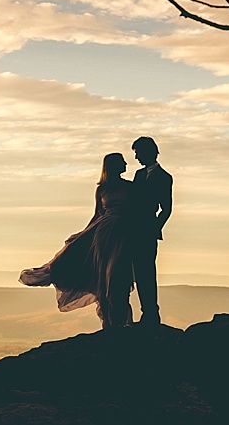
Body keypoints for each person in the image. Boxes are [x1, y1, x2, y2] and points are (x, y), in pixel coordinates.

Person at [19, 153, 133, 329]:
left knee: (117, 275)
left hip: (123, 233)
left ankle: (121, 321)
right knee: (102, 276)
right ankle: (109, 323)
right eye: (121, 161)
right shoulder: (102, 189)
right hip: (103, 234)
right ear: (112, 166)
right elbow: (97, 215)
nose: (126, 163)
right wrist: (83, 234)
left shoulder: (130, 187)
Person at [129, 136, 172, 325]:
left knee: (146, 272)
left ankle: (151, 313)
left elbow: (167, 208)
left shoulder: (164, 177)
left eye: (138, 153)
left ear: (149, 152)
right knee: (139, 273)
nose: (136, 158)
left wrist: (155, 227)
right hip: (132, 230)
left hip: (147, 231)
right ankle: (147, 312)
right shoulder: (138, 175)